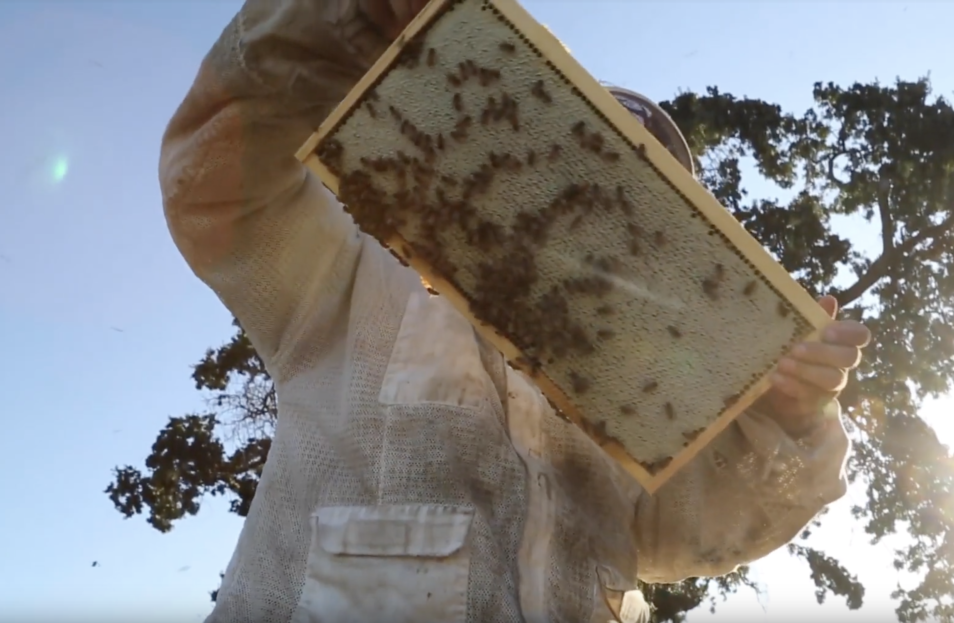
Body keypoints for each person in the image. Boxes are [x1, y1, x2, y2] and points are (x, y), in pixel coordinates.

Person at [159, 1, 872, 622]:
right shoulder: (349, 279)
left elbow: (711, 529)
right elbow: (216, 181)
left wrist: (788, 417)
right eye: (594, 179)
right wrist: (329, 17)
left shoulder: (652, 409)